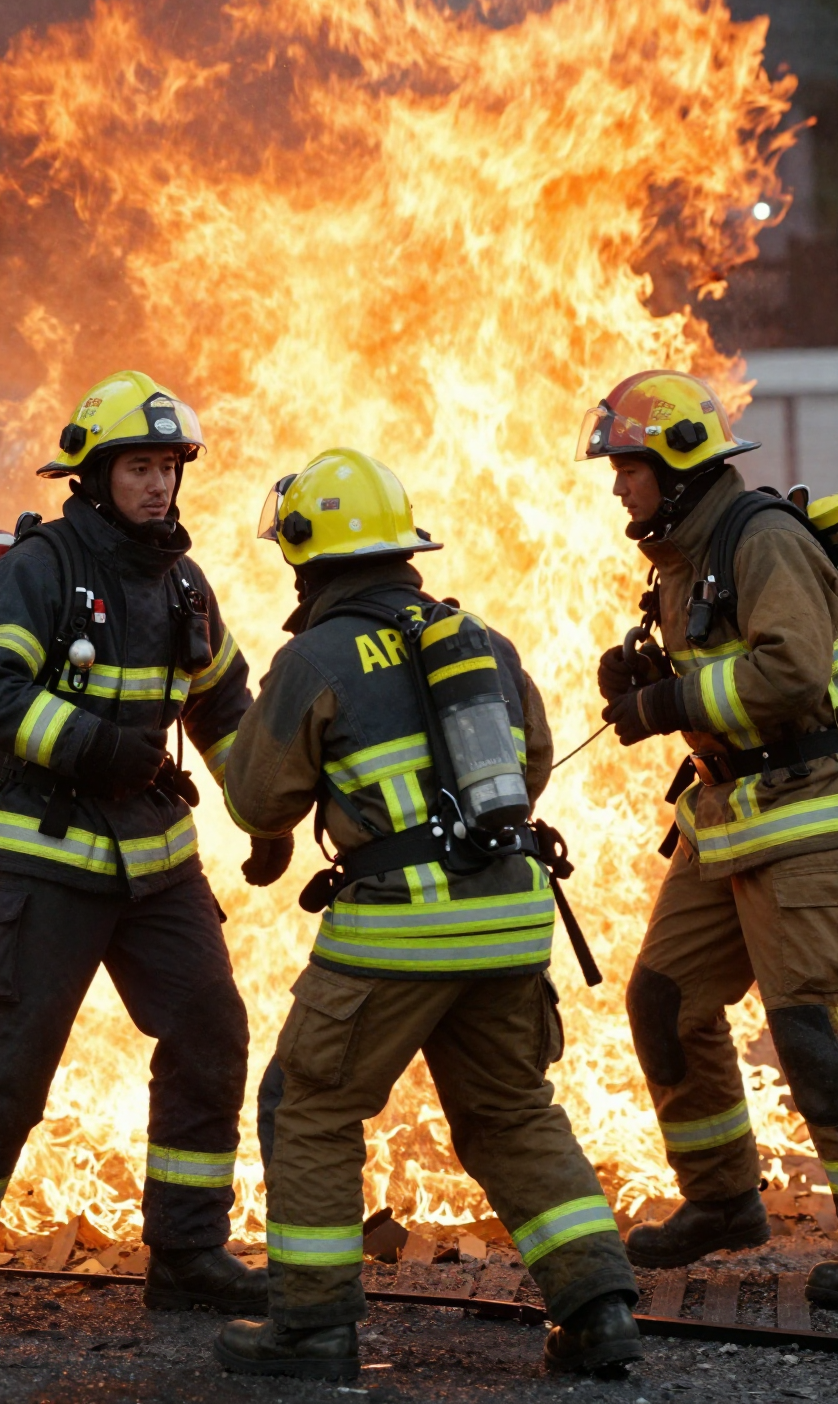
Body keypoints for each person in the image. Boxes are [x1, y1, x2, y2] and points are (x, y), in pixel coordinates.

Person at [213, 449, 641, 1382]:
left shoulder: (314, 656)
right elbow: (528, 771)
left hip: (399, 930)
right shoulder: (478, 638)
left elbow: (256, 802)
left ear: (305, 554)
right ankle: (598, 1308)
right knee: (511, 1110)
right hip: (511, 920)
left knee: (312, 1106)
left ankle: (314, 1329)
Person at [0, 369, 268, 1336]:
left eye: (167, 468)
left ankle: (187, 1251)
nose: (157, 485)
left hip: (158, 867)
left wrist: (266, 810)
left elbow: (225, 707)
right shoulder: (42, 569)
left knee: (211, 1035)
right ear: (93, 473)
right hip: (44, 859)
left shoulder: (185, 581)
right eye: (138, 467)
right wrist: (97, 745)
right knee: (12, 1063)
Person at [581, 370, 838, 1301]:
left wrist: (670, 699)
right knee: (664, 999)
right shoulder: (684, 553)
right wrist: (645, 668)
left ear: (677, 464)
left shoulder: (760, 537)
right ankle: (725, 1199)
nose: (619, 488)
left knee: (817, 1030)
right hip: (727, 818)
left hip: (806, 814)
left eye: (628, 469)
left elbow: (797, 671)